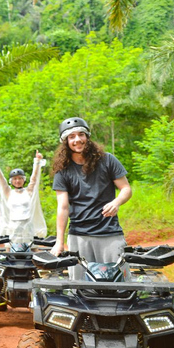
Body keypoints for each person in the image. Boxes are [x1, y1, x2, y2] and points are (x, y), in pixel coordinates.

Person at [49, 117, 132, 279]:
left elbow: (126, 189)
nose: (77, 139)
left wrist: (117, 202)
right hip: (78, 236)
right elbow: (63, 207)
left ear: (87, 137)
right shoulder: (62, 171)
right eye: (71, 136)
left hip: (110, 233)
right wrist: (59, 241)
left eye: (81, 134)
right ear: (65, 141)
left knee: (121, 282)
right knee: (80, 287)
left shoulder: (107, 160)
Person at [0, 151, 47, 249]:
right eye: (15, 179)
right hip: (13, 226)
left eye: (20, 178)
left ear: (23, 179)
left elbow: (34, 179)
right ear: (11, 181)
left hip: (27, 226)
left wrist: (37, 161)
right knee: (10, 249)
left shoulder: (29, 192)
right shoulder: (8, 192)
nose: (18, 181)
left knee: (33, 249)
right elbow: (1, 179)